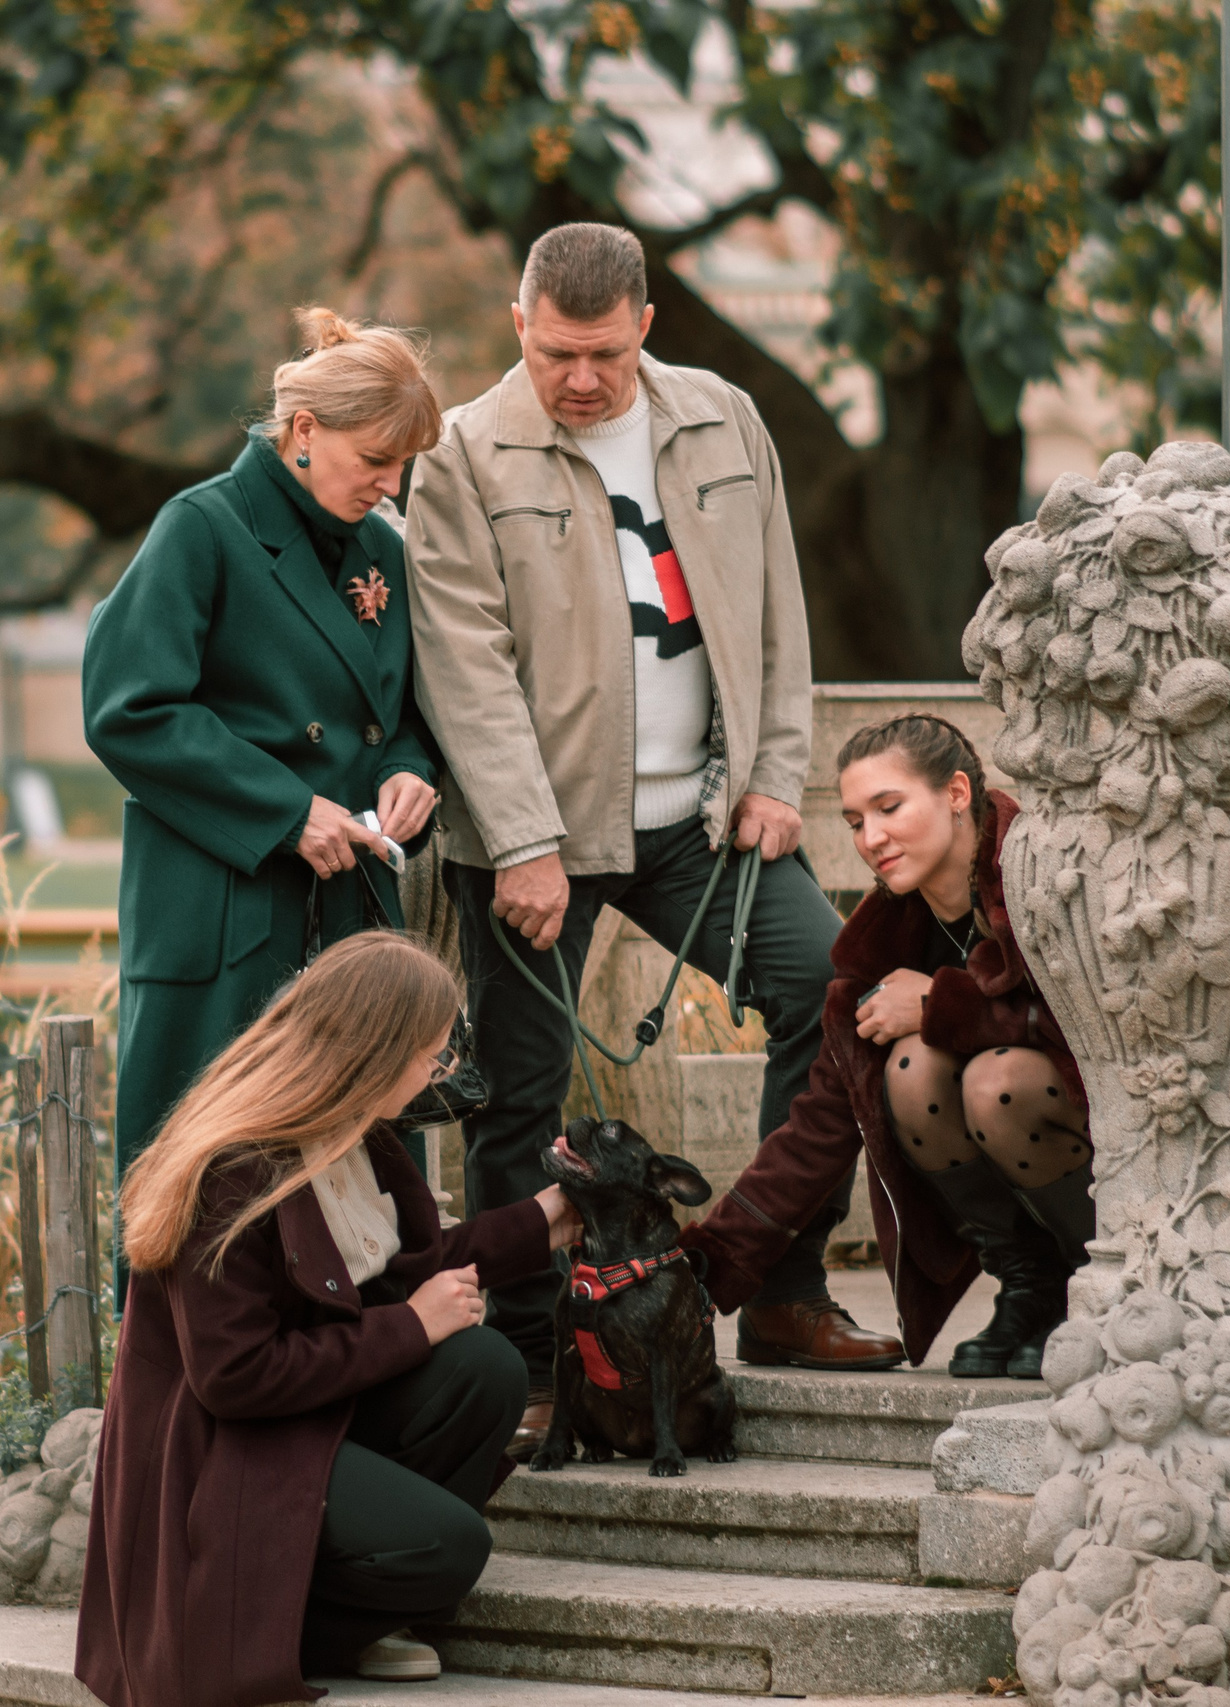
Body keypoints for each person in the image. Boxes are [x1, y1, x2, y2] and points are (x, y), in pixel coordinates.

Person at [405, 222, 898, 1444]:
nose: (580, 380)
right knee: (515, 1099)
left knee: (825, 993)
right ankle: (526, 1356)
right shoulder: (463, 452)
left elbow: (776, 604)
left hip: (705, 826)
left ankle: (779, 1289)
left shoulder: (724, 418)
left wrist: (779, 776)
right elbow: (461, 665)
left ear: (645, 330)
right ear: (520, 327)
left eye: (605, 356)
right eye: (557, 353)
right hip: (539, 844)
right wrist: (521, 841)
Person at [77, 933, 583, 1706]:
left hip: (298, 1421)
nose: (439, 1074)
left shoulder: (357, 1130)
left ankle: (353, 1601)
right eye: (432, 1056)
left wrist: (547, 1218)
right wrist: (412, 1326)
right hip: (220, 1457)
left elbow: (415, 1262)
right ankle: (275, 1626)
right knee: (453, 1547)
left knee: (487, 1368)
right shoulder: (232, 1168)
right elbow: (234, 1378)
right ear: (376, 1053)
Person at [84, 308, 446, 1215]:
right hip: (226, 910)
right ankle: (176, 1367)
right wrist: (288, 811)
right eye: (377, 459)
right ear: (305, 431)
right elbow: (128, 709)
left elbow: (395, 713)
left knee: (357, 1196)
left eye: (403, 464)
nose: (391, 485)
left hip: (348, 909)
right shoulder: (199, 527)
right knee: (201, 1186)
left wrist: (409, 771)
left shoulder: (382, 550)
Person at [681, 715, 1096, 1379]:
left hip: (1126, 1171)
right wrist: (701, 1269)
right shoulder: (885, 939)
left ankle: (1099, 1280)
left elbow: (1097, 1032)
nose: (870, 839)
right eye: (853, 820)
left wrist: (939, 1003)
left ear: (957, 793)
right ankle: (1033, 1289)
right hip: (1036, 1174)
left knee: (999, 1084)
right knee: (910, 1071)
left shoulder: (1043, 871)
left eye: (889, 807)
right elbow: (818, 1123)